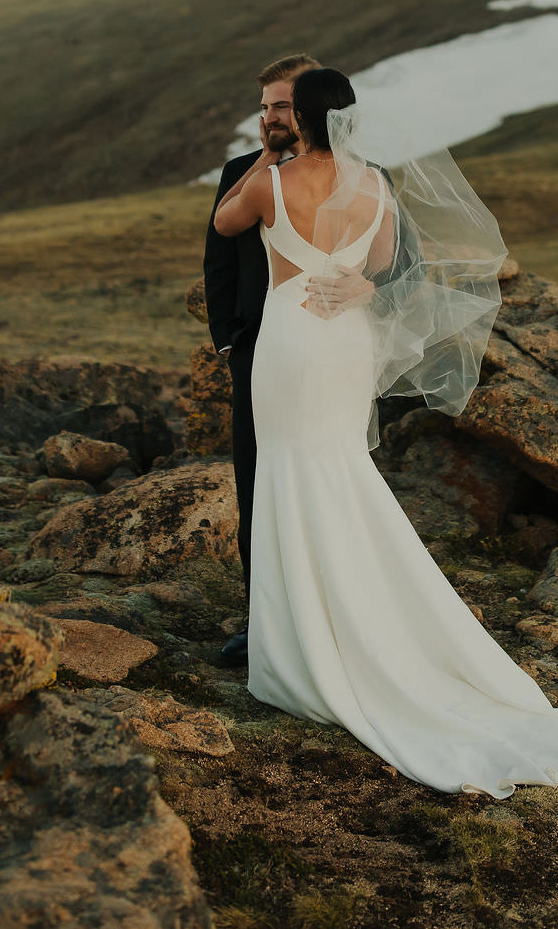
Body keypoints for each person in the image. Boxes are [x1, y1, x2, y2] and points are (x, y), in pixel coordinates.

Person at [210, 66, 558, 799]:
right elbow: (392, 266)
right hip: (347, 342)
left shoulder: (269, 180)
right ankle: (365, 626)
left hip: (293, 344)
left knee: (291, 475)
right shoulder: (376, 187)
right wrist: (356, 282)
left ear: (300, 119)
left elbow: (227, 220)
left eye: (282, 113)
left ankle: (302, 643)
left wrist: (269, 154)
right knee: (342, 474)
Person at [203, 53, 322, 666]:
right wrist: (228, 341)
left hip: (330, 355)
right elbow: (218, 259)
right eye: (264, 106)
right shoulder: (240, 171)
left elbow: (395, 261)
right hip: (258, 352)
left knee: (322, 481)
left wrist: (366, 290)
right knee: (257, 484)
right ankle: (263, 624)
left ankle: (329, 613)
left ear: (309, 109)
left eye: (279, 106)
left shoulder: (362, 175)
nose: (267, 117)